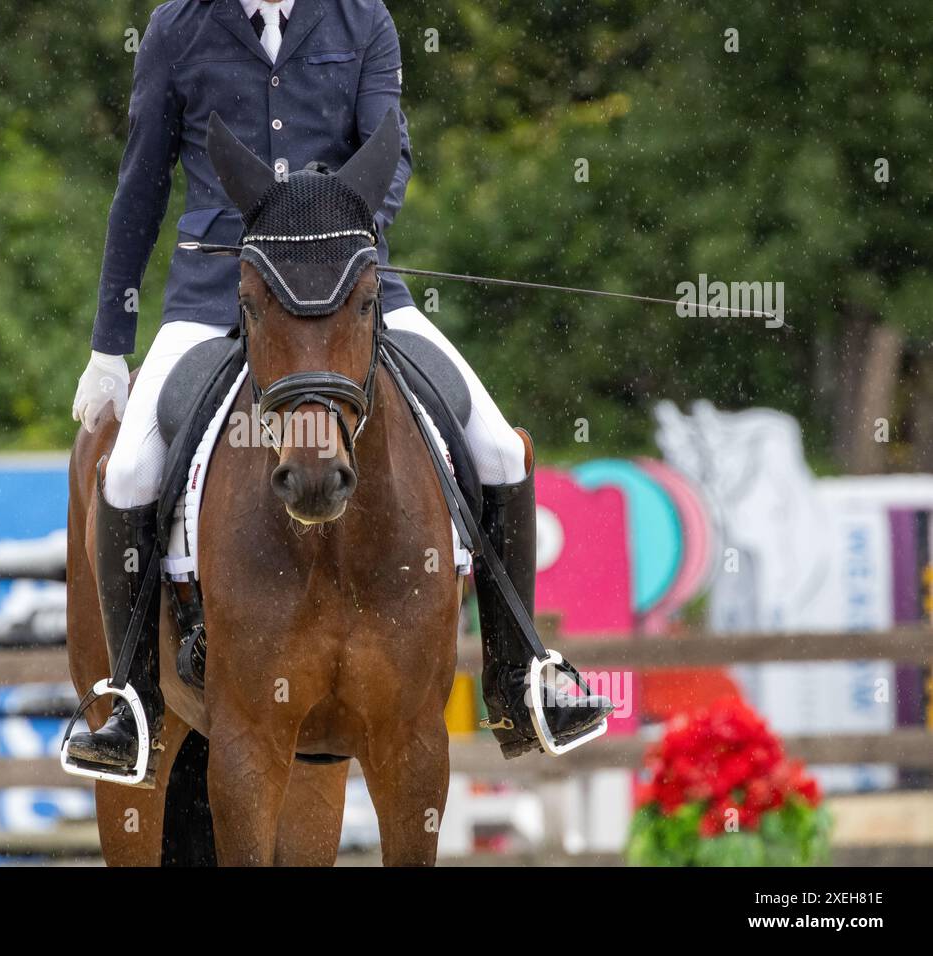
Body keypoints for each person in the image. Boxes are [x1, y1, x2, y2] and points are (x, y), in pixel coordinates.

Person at [68, 0, 612, 776]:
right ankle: (132, 707)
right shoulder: (175, 28)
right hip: (217, 293)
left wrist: (337, 247)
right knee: (125, 471)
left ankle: (520, 678)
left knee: (498, 448)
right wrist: (108, 347)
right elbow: (140, 187)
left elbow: (388, 155)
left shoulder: (364, 21)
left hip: (351, 296)